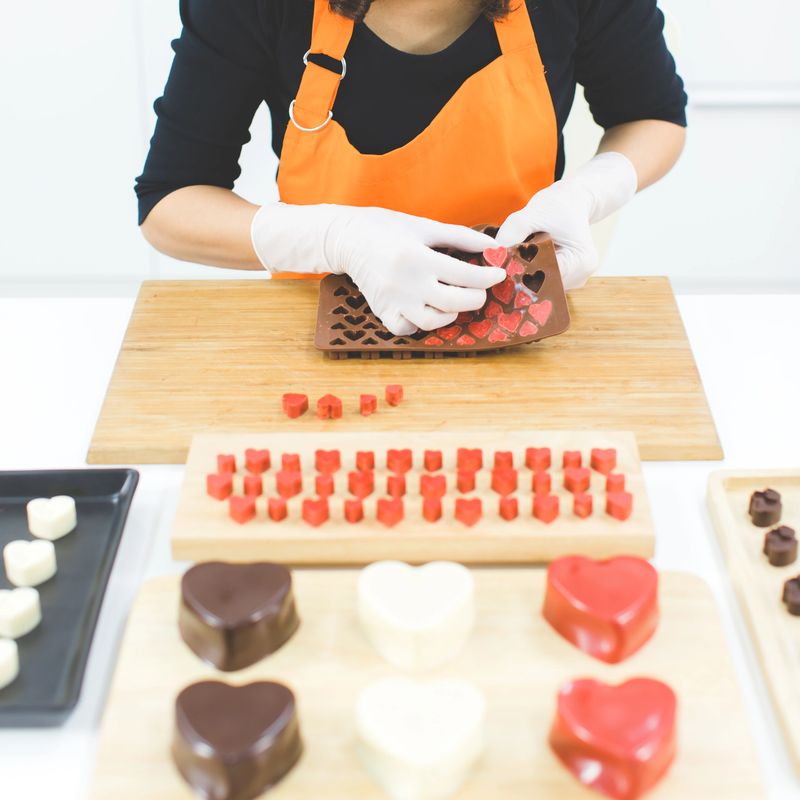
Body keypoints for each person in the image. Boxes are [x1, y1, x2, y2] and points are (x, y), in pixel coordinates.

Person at [136, 0, 687, 335]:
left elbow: (652, 116)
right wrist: (337, 238)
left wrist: (589, 193)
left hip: (517, 319)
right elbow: (170, 203)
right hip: (323, 329)